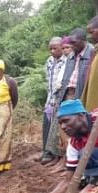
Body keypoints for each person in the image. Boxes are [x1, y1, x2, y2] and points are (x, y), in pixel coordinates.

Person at [41, 37, 67, 166]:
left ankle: (56, 155)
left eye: (55, 48)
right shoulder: (49, 61)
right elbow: (49, 82)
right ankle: (46, 151)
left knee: (57, 128)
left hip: (60, 100)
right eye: (50, 48)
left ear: (61, 47)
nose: (52, 51)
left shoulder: (66, 61)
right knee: (46, 125)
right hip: (50, 99)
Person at [56, 28, 95, 103]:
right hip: (68, 94)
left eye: (74, 42)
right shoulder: (71, 56)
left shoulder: (92, 53)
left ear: (83, 41)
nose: (71, 45)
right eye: (70, 43)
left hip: (83, 95)